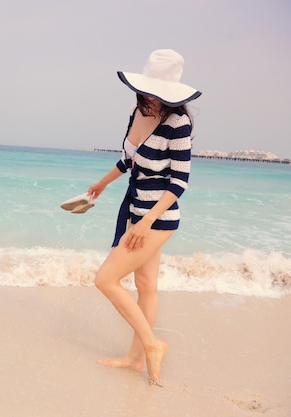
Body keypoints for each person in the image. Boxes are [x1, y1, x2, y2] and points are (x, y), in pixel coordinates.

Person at [87, 49, 201, 384]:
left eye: (158, 91)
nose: (151, 97)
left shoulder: (177, 124)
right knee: (146, 286)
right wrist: (102, 183)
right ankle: (136, 358)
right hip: (135, 210)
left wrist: (146, 221)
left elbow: (180, 182)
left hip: (157, 218)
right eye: (148, 89)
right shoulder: (138, 112)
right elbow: (128, 160)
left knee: (105, 280)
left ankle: (152, 345)